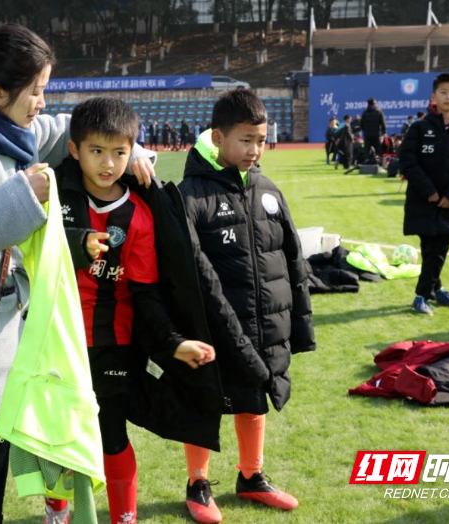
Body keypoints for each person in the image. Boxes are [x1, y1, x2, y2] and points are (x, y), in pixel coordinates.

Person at [0, 25, 155, 524]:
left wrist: (123, 148)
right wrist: (24, 195)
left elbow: (70, 127)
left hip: (8, 328)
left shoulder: (13, 129)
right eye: (36, 91)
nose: (42, 103)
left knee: (4, 446)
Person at [53, 96, 216, 524]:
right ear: (74, 150)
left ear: (133, 151)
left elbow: (146, 295)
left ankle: (124, 517)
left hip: (113, 345)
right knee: (57, 436)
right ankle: (58, 511)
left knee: (111, 433)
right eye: (96, 151)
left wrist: (172, 343)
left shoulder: (139, 215)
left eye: (119, 152)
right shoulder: (53, 192)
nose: (108, 163)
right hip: (56, 340)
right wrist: (76, 244)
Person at [178, 89, 314, 523]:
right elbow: (190, 272)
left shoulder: (268, 190)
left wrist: (299, 327)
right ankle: (197, 483)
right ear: (218, 138)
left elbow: (293, 261)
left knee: (255, 397)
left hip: (265, 327)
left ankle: (251, 477)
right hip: (214, 331)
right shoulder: (190, 195)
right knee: (205, 403)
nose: (255, 150)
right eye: (245, 140)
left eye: (261, 140)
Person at [399, 73, 449, 315]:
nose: (448, 96)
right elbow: (407, 161)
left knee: (439, 248)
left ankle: (430, 291)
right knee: (430, 249)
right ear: (434, 96)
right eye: (443, 92)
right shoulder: (419, 127)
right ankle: (427, 293)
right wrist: (429, 191)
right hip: (423, 200)